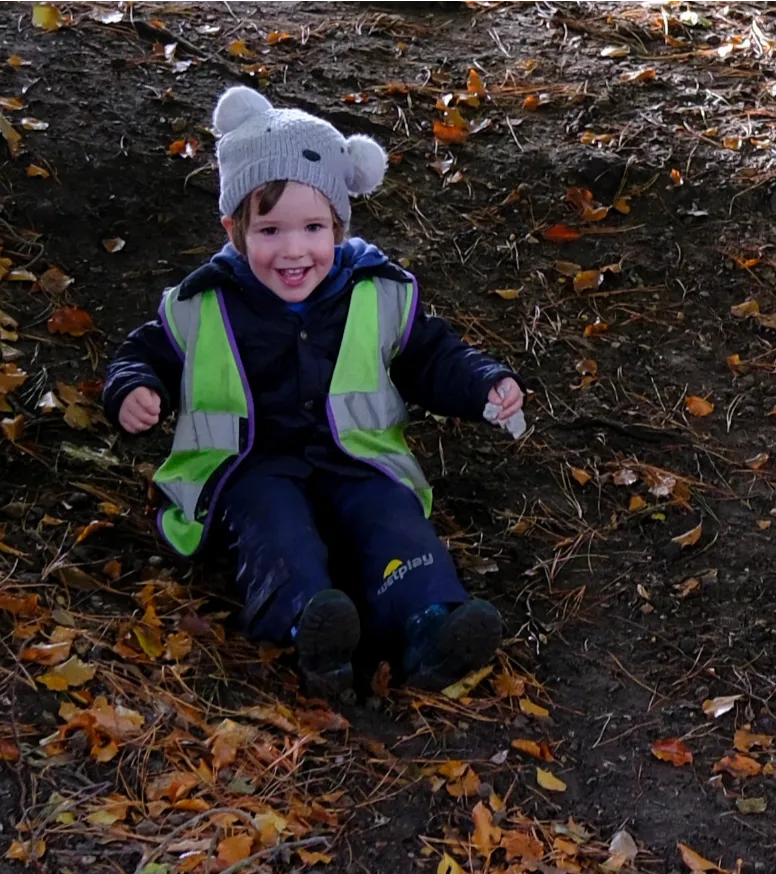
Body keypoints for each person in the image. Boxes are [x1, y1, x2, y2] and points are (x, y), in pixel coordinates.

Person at [103, 86, 524, 700]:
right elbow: (143, 354)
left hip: (354, 458)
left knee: (393, 521)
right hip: (253, 466)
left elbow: (433, 356)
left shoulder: (378, 293)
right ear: (234, 229)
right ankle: (313, 627)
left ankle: (427, 622)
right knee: (278, 531)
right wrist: (133, 388)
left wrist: (484, 381)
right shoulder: (202, 304)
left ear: (339, 226)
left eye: (313, 227)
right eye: (270, 229)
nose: (294, 250)